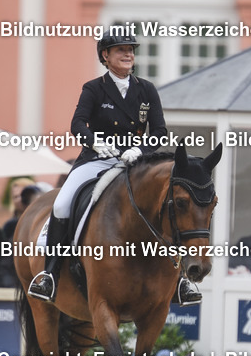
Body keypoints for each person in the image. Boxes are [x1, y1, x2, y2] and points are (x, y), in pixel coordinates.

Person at [28, 31, 197, 302]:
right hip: (96, 160)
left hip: (133, 162)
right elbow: (77, 124)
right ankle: (49, 275)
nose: (128, 54)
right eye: (120, 50)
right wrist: (95, 143)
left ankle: (181, 280)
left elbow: (160, 131)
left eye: (130, 49)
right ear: (105, 56)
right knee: (61, 205)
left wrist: (139, 150)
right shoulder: (94, 88)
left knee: (165, 204)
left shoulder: (147, 89)